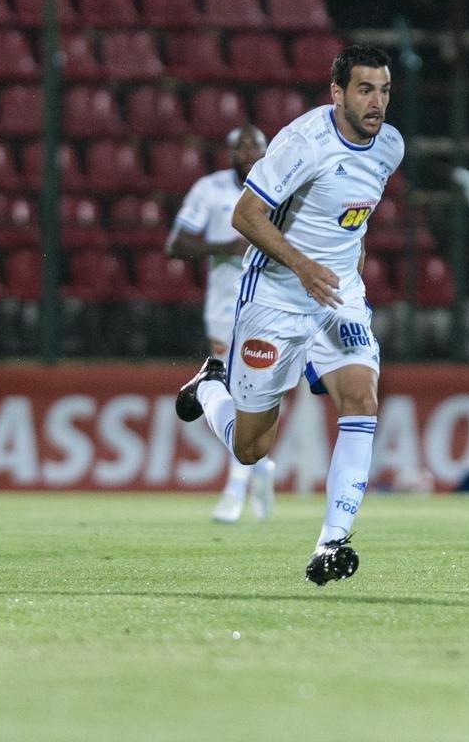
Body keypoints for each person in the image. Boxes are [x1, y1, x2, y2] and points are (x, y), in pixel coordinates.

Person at [174, 45, 404, 585]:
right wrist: (302, 266)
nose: (377, 103)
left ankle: (330, 544)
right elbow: (245, 214)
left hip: (337, 293)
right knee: (252, 448)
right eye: (365, 89)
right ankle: (211, 385)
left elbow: (354, 220)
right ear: (338, 92)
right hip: (276, 294)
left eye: (385, 90)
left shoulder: (390, 147)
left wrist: (349, 279)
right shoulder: (303, 143)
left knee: (362, 398)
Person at [166, 125, 276, 523]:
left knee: (249, 395)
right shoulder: (209, 190)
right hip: (225, 308)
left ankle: (241, 485)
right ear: (229, 153)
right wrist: (225, 247)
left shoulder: (282, 186)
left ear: (267, 150)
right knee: (236, 393)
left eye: (255, 145)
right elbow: (176, 244)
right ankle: (251, 476)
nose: (248, 152)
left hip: (270, 306)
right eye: (240, 146)